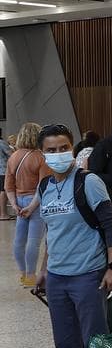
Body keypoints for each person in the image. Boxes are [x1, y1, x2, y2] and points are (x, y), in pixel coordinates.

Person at [31, 123, 112, 348]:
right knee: (66, 344)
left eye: (62, 148)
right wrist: (43, 269)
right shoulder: (44, 186)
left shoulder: (89, 181)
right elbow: (50, 230)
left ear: (71, 148)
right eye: (51, 150)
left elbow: (111, 225)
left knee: (94, 343)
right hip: (57, 276)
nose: (58, 154)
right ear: (42, 153)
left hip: (87, 274)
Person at [6, 122, 51, 286]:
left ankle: (23, 273)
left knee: (19, 240)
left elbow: (8, 186)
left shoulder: (13, 157)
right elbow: (42, 185)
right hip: (36, 201)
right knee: (34, 240)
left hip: (18, 201)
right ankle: (32, 275)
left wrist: (14, 204)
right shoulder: (40, 157)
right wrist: (32, 206)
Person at [0, 130, 12, 220]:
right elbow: (11, 155)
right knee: (3, 191)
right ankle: (3, 214)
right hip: (3, 171)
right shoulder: (2, 143)